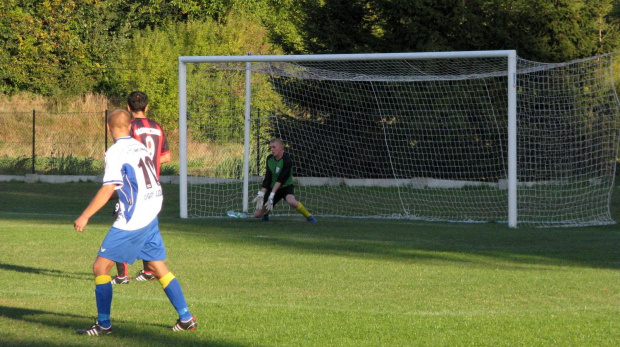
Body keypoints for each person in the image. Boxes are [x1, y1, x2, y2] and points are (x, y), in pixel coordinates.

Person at [73, 109, 196, 335]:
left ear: (109, 128)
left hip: (134, 218)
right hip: (152, 209)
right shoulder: (140, 147)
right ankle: (186, 317)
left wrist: (86, 215)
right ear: (130, 126)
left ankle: (104, 324)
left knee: (100, 267)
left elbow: (108, 187)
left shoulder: (115, 151)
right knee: (158, 267)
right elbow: (132, 184)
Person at [112, 91, 171, 284]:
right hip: (153, 186)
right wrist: (150, 164)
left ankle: (122, 276)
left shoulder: (129, 128)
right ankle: (148, 271)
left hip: (133, 185)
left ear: (128, 108)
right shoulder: (158, 127)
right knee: (147, 226)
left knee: (121, 222)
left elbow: (125, 154)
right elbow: (166, 156)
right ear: (147, 107)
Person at [252, 138, 317, 223]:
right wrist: (262, 194)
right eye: (271, 147)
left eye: (274, 147)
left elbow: (281, 179)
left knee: (292, 201)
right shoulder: (269, 159)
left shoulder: (287, 160)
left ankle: (309, 216)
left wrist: (271, 195)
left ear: (281, 148)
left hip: (286, 187)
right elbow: (267, 178)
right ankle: (266, 213)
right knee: (257, 215)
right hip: (272, 187)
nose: (271, 149)